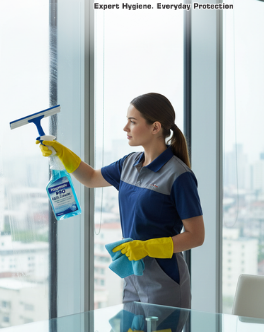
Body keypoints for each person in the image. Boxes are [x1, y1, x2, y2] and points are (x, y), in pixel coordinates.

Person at [38, 92, 204, 308]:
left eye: (132, 122)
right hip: (132, 277)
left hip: (165, 280)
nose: (126, 128)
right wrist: (61, 153)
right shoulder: (129, 163)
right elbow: (90, 177)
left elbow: (196, 236)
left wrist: (147, 247)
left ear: (155, 127)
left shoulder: (178, 175)